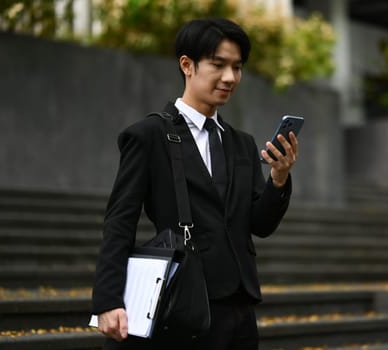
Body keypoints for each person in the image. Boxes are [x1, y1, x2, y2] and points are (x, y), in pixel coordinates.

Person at [91, 17, 299, 350]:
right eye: (218, 65)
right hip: (185, 302)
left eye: (237, 67)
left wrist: (279, 177)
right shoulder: (148, 136)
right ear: (187, 65)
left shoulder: (241, 143)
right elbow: (120, 220)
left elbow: (259, 224)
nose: (230, 77)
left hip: (241, 307)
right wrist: (107, 300)